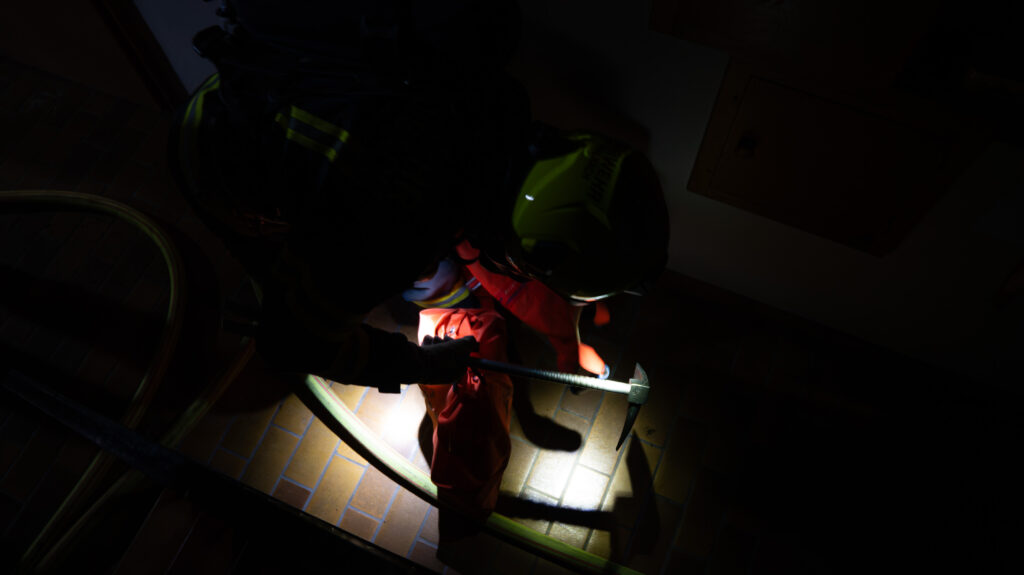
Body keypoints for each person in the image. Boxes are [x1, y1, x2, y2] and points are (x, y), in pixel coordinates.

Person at [169, 0, 670, 393]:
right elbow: (289, 344)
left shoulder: (491, 90)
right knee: (292, 304)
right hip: (219, 163)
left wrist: (559, 329)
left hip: (265, 92)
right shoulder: (386, 233)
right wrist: (419, 365)